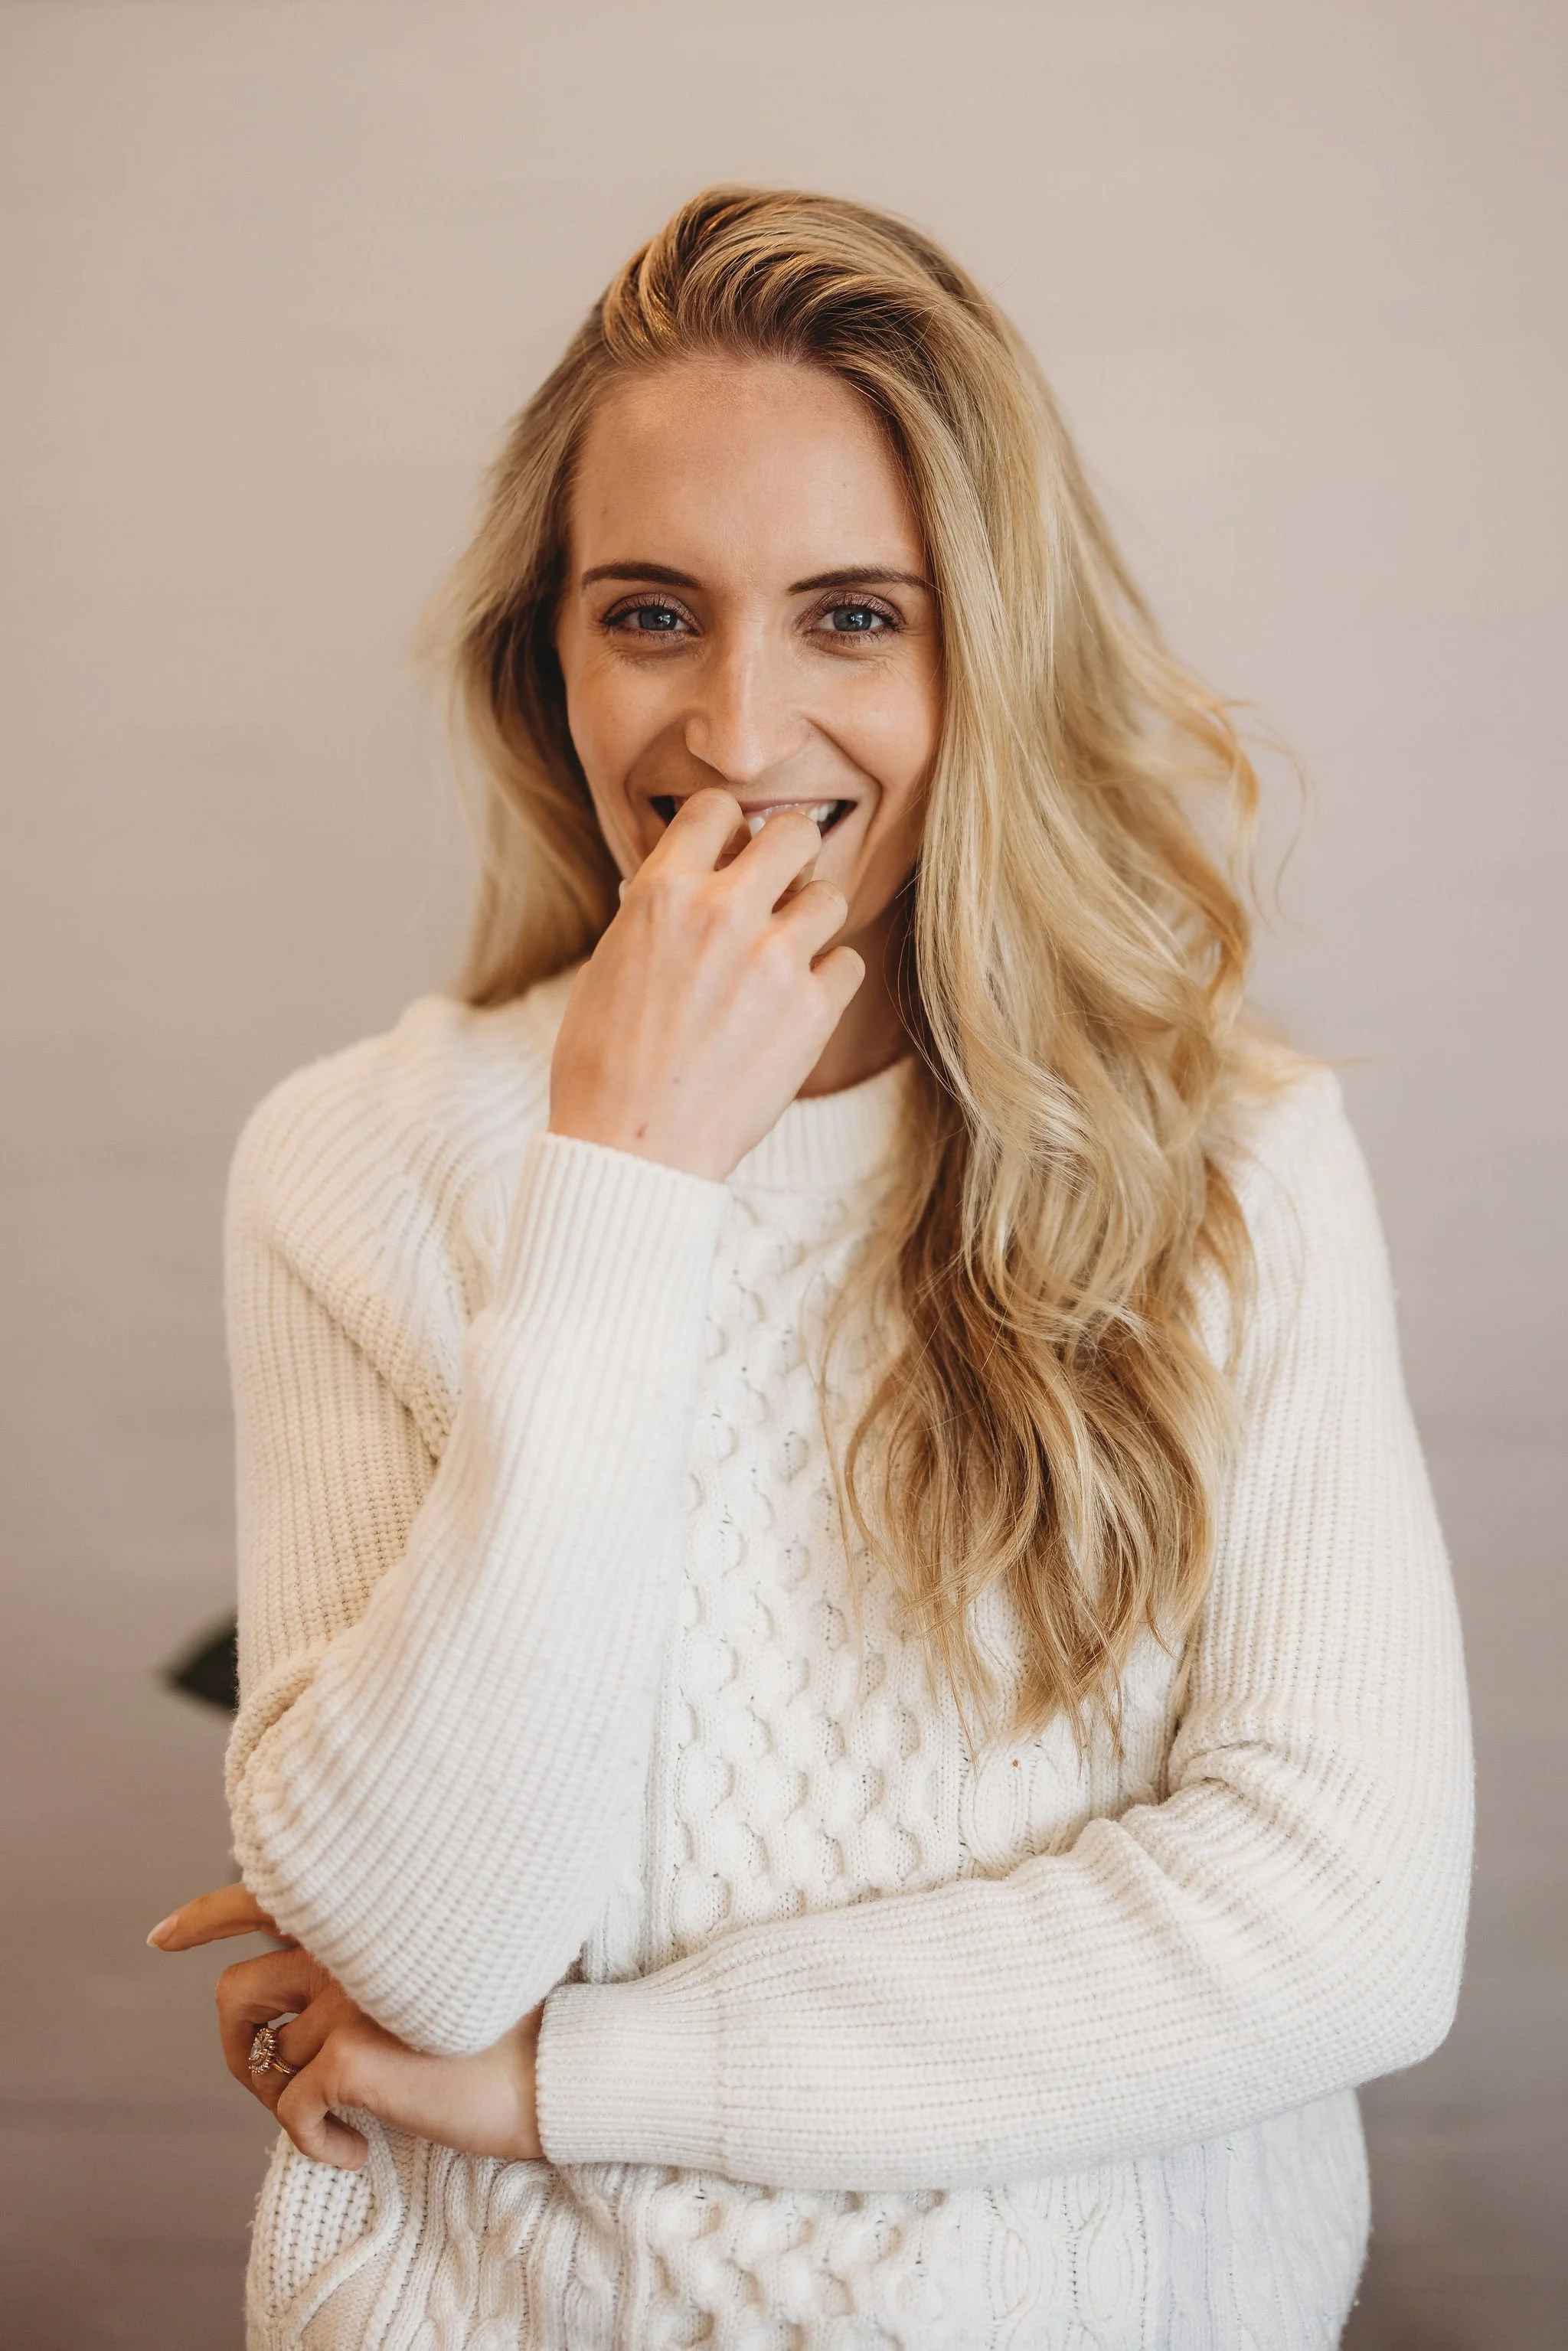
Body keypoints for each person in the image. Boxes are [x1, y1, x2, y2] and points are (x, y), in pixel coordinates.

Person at [148, 186, 1472, 2350]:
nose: (740, 736)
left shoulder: (1231, 1158)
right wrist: (625, 1182)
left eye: (853, 616)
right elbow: (421, 1947)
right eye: (651, 614)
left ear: (990, 651)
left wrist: (578, 2078)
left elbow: (1339, 1924)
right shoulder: (362, 1158)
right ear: (547, 656)